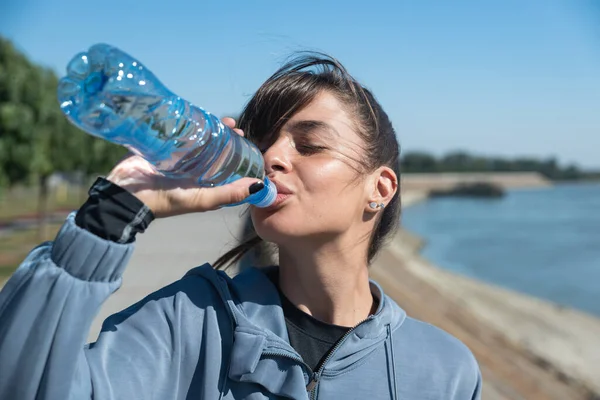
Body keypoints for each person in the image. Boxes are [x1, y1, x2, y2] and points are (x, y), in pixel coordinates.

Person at [0, 53, 481, 399]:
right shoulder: (190, 322)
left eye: (308, 145)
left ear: (380, 188)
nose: (271, 157)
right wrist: (110, 215)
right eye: (263, 142)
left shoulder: (444, 371)